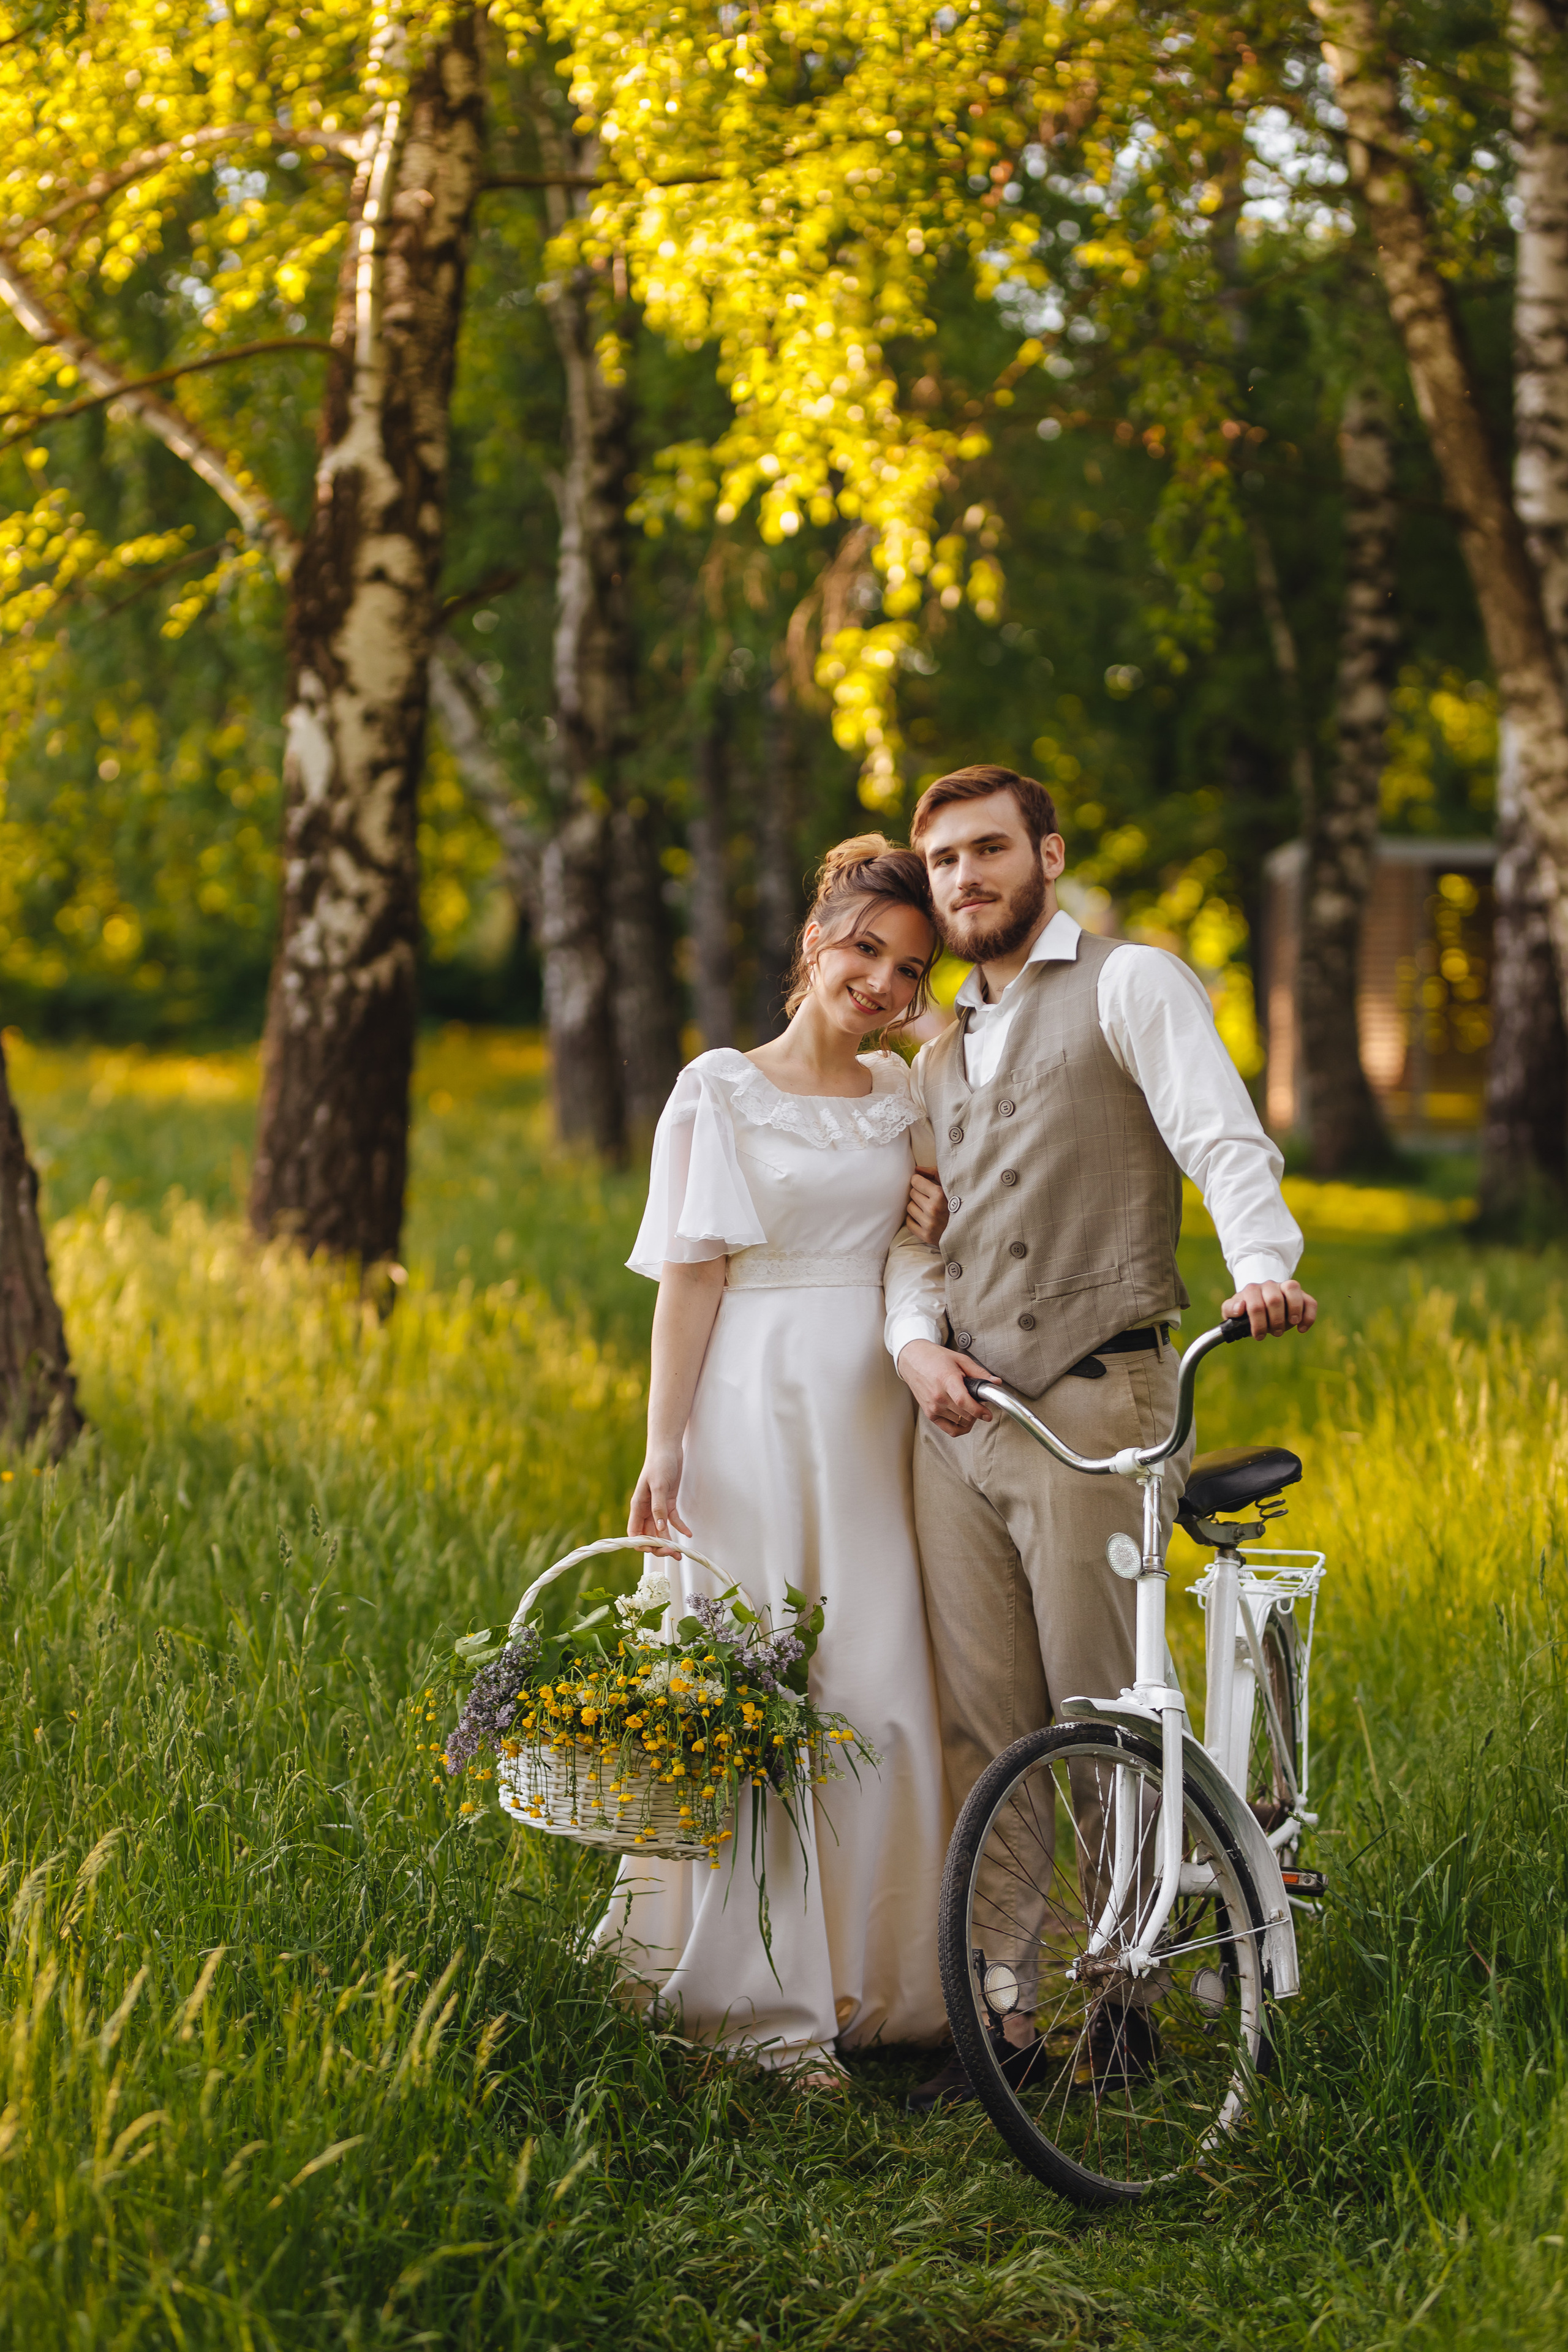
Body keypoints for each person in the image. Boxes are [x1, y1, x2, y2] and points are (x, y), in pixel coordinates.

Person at [882, 764, 1318, 2113]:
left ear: (1047, 854)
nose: (964, 877)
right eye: (944, 859)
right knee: (981, 1724)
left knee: (1100, 1711)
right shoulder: (932, 1048)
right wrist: (912, 1345)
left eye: (988, 850)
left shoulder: (1132, 986)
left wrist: (1260, 1265)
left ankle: (1116, 1997)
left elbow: (1218, 1136)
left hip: (1095, 1401)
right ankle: (1000, 2015)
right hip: (958, 1421)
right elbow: (916, 1235)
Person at [596, 837, 953, 2085]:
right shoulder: (717, 1088)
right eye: (862, 948)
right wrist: (664, 1444)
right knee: (755, 1688)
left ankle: (889, 1983)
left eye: (907, 969)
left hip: (870, 1417)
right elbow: (689, 1281)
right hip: (753, 1403)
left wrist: (935, 1213)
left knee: (873, 1682)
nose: (881, 982)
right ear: (813, 944)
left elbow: (927, 1256)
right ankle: (749, 1996)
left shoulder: (908, 1096)